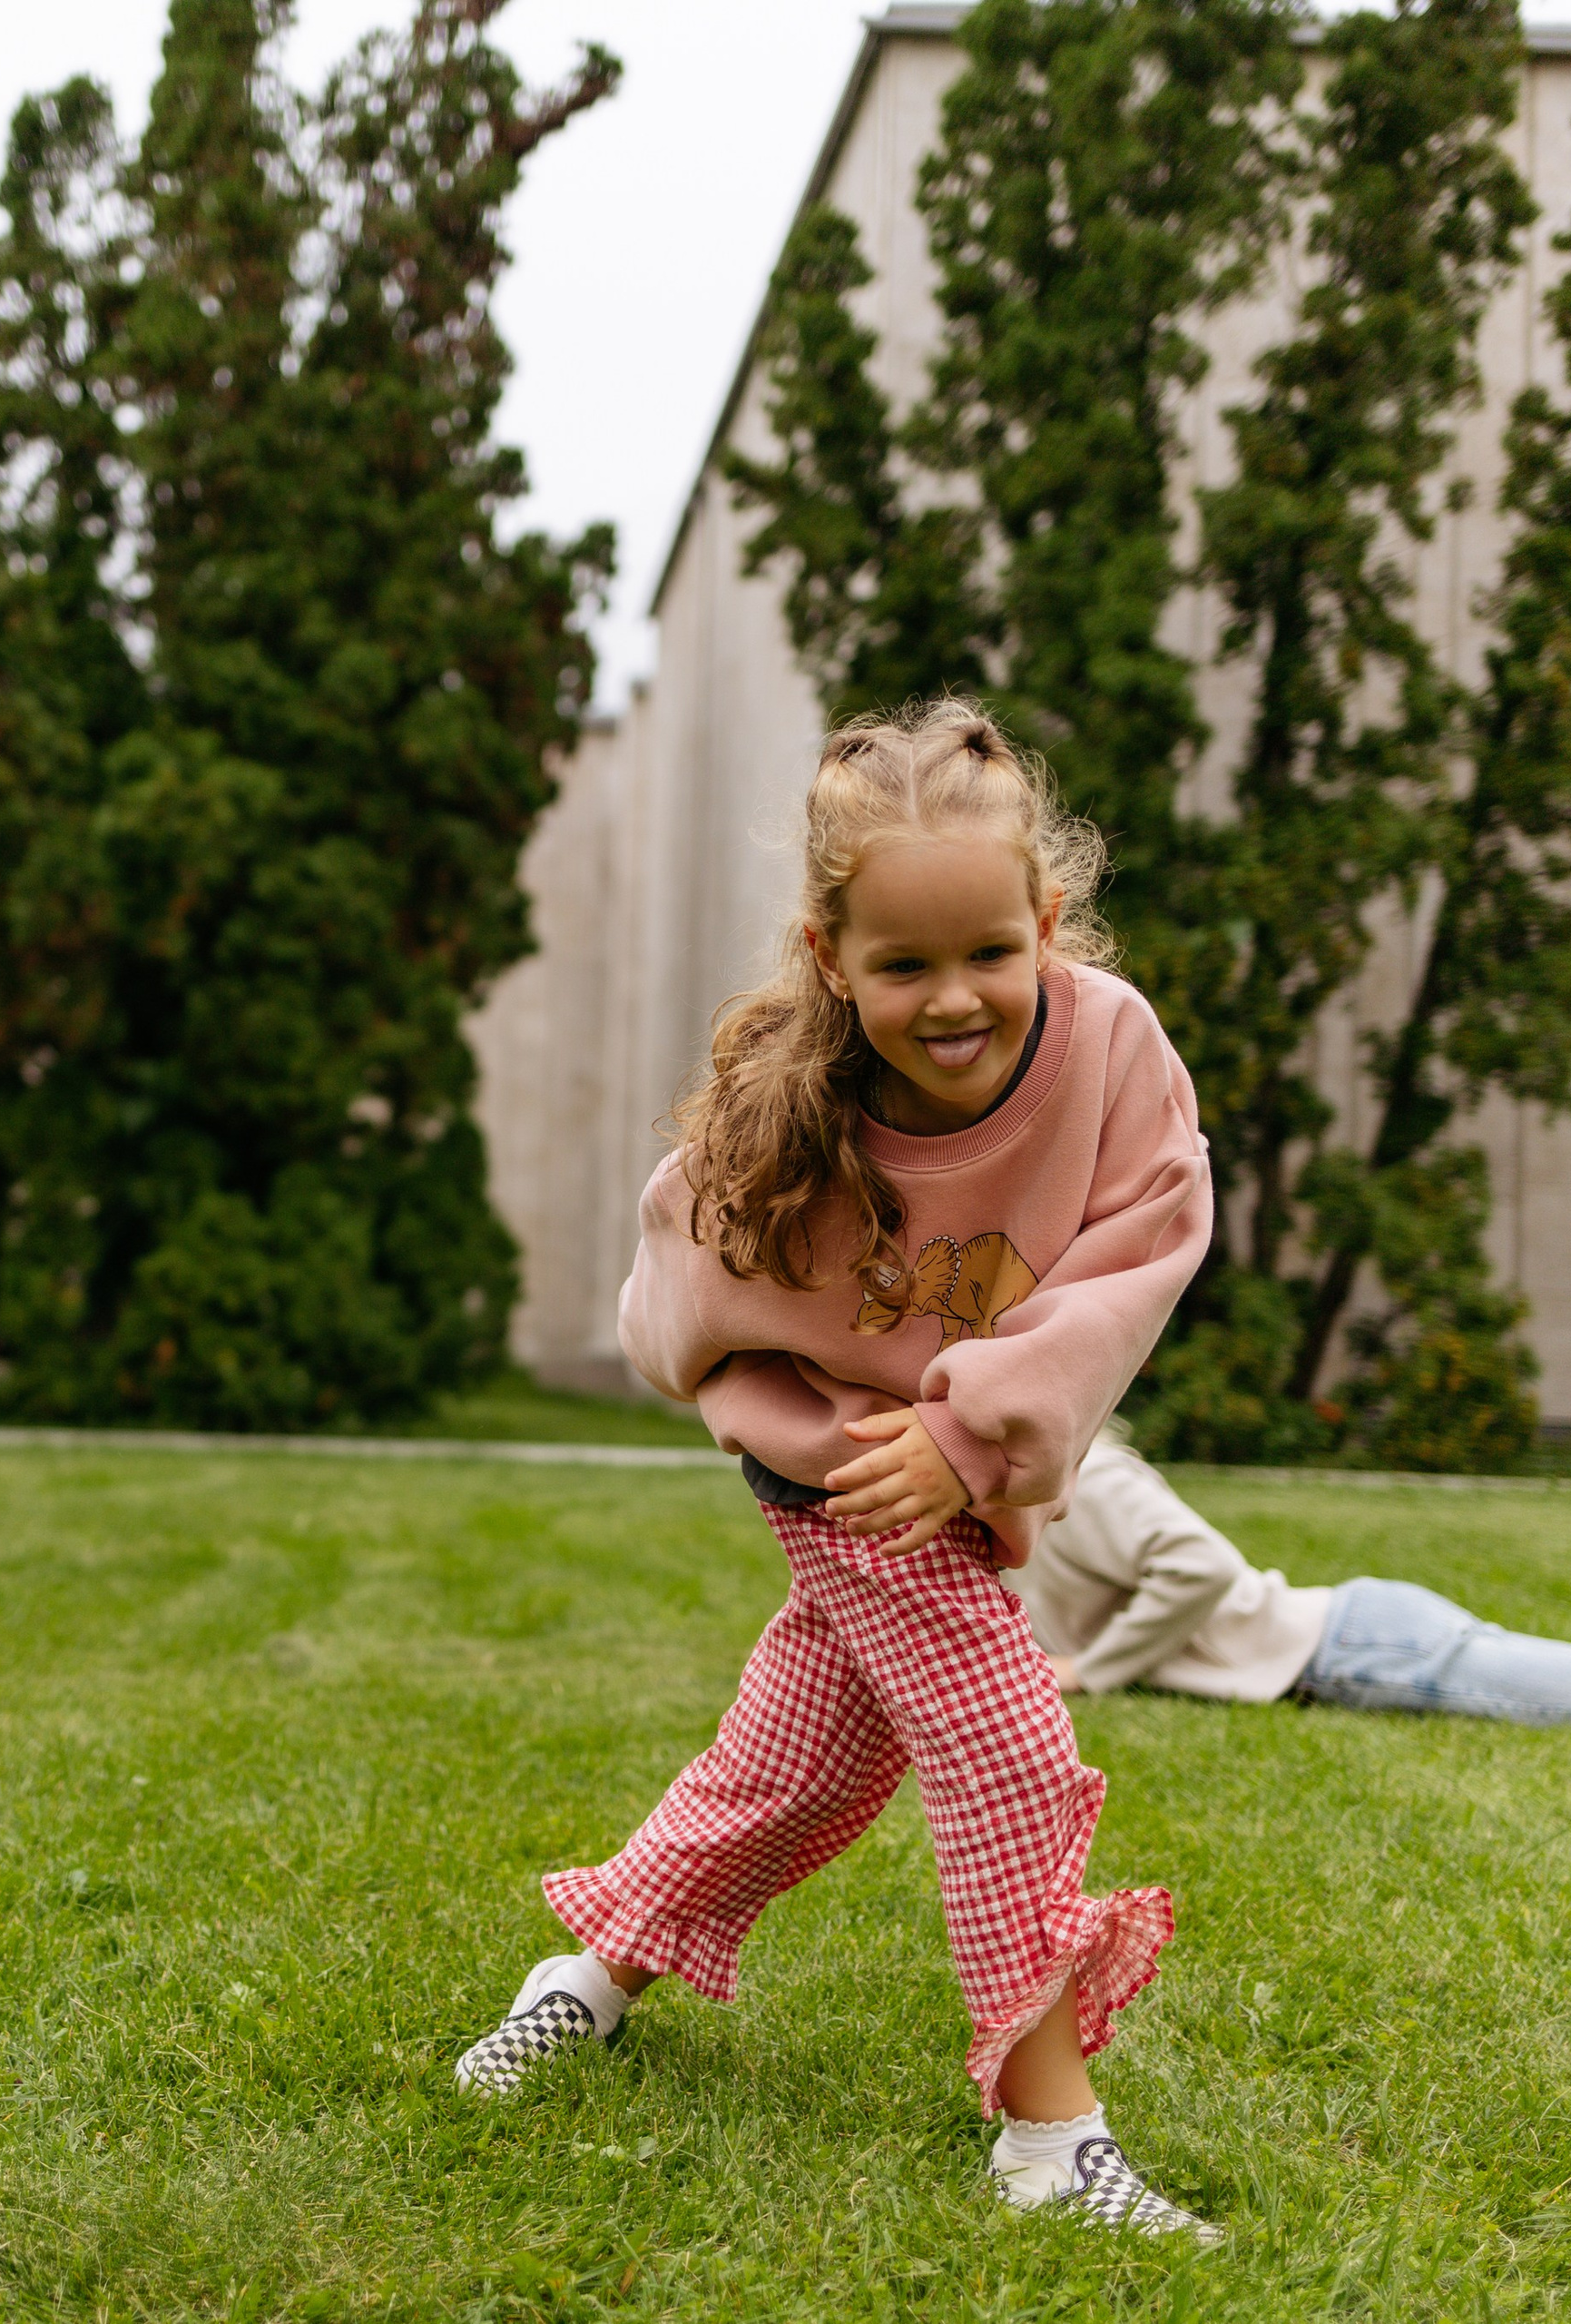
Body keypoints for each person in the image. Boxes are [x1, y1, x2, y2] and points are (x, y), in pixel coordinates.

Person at [451, 702, 1219, 2242]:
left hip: (954, 1456)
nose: (955, 1001)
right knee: (1004, 1746)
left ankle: (585, 1980)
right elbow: (671, 1306)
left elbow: (1144, 1240)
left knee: (797, 1773)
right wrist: (835, 1428)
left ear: (1047, 924)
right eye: (903, 967)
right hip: (841, 1470)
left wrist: (971, 1426)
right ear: (829, 956)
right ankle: (1049, 2142)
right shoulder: (785, 1114)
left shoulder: (1114, 1046)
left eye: (992, 954)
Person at [1020, 1433, 1571, 1721]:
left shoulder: (1084, 1478)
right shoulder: (1005, 1511)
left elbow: (1203, 1565)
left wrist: (1092, 1670)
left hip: (1347, 1647)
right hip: (1354, 1638)